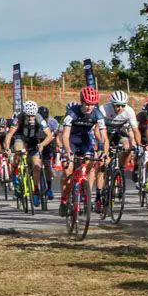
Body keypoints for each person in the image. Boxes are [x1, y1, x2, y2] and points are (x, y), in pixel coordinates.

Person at [59, 88, 110, 217]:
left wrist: (104, 152)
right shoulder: (72, 113)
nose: (89, 107)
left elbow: (104, 137)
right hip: (71, 139)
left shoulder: (98, 114)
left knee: (91, 162)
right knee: (68, 170)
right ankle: (64, 200)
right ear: (82, 102)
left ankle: (83, 185)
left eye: (92, 104)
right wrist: (68, 152)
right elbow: (65, 135)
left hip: (84, 139)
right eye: (87, 103)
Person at [5, 100, 52, 201]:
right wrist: (7, 148)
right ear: (24, 113)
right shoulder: (19, 118)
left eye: (32, 116)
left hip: (34, 140)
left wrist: (42, 145)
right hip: (21, 137)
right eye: (28, 116)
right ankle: (16, 177)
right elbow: (9, 134)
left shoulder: (39, 118)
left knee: (36, 166)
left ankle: (35, 189)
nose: (31, 118)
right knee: (18, 151)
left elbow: (49, 136)